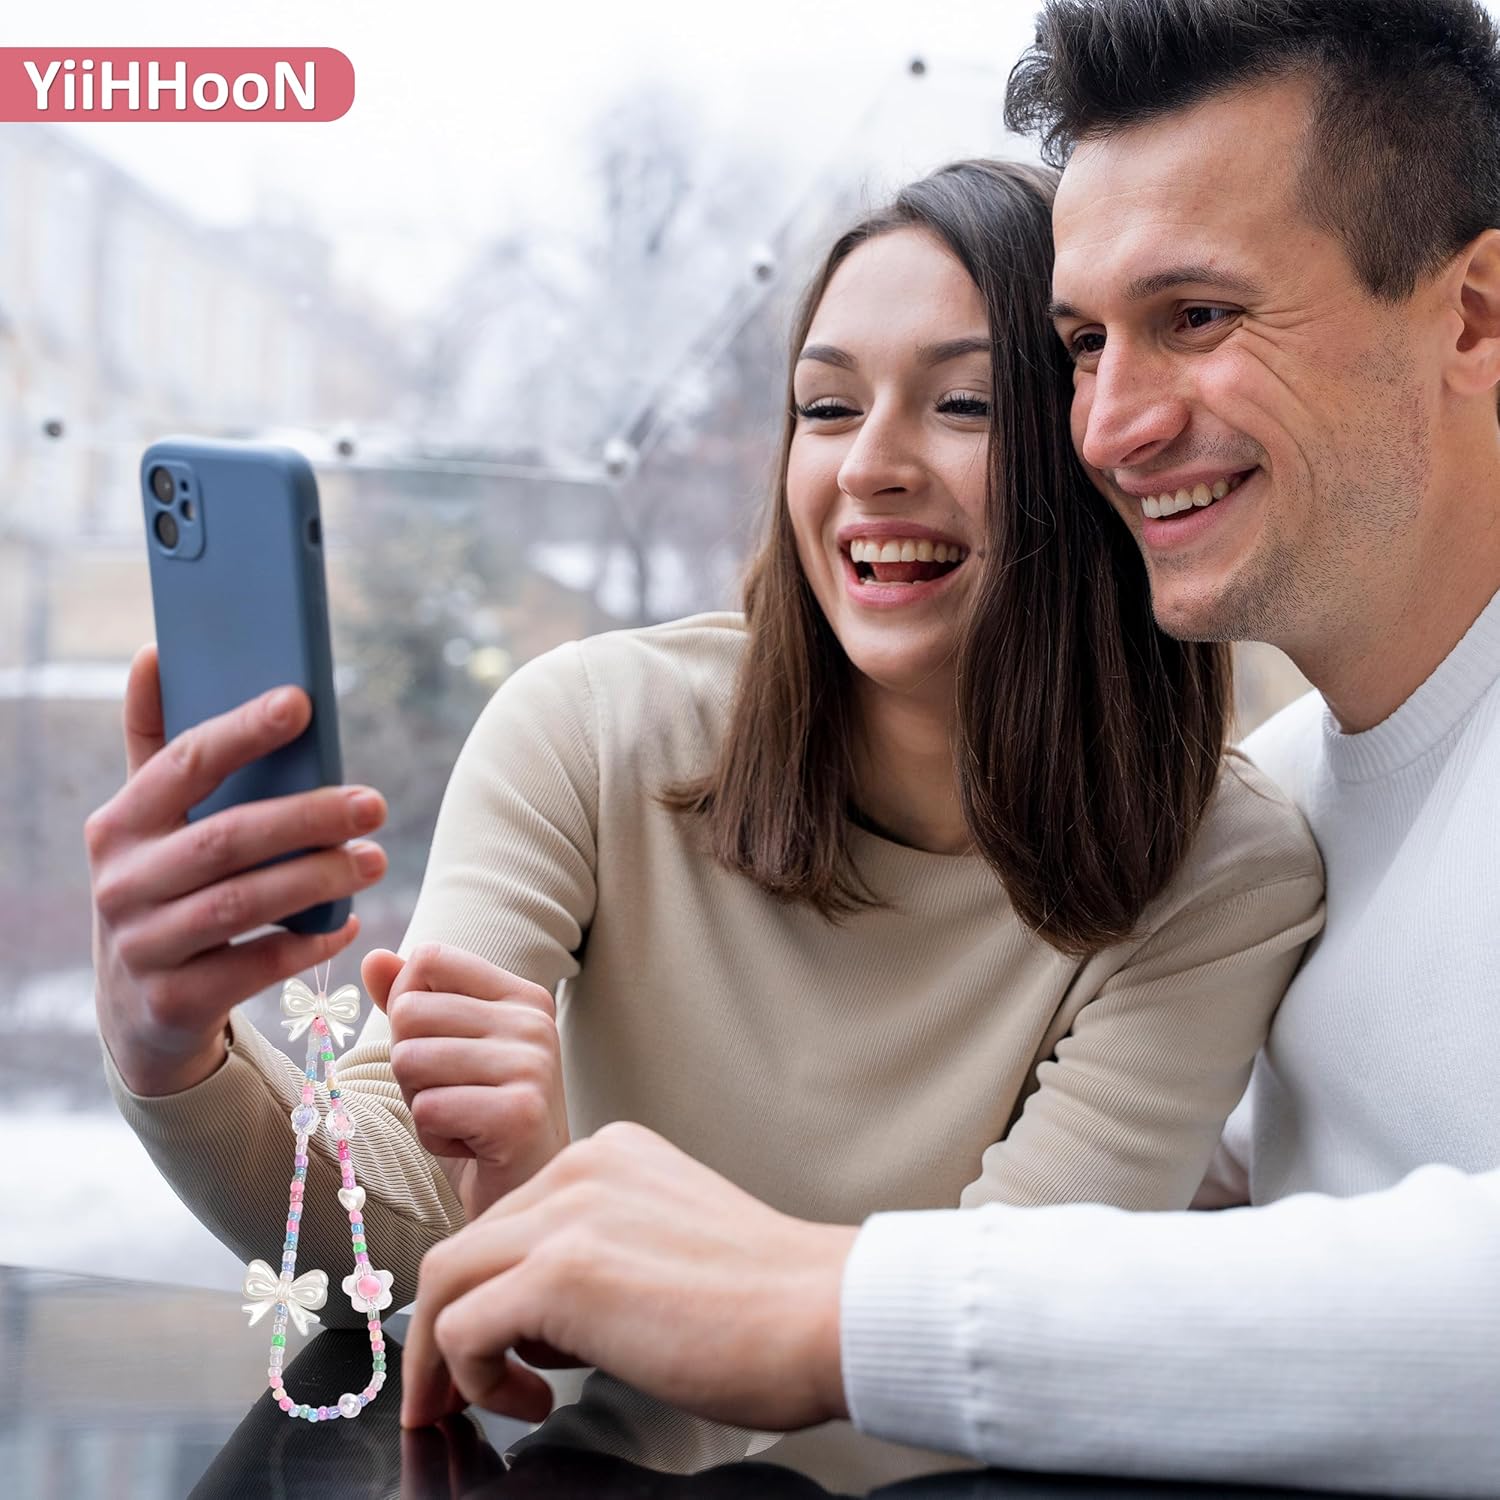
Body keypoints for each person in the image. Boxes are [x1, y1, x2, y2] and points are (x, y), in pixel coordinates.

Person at [395, 1, 1500, 1494]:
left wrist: (825, 1310)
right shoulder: (1303, 809)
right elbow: (1125, 1263)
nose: (1107, 427)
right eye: (1085, 346)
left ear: (1472, 315)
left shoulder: (1242, 858)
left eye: (1198, 316)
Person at [87, 158, 1321, 1452]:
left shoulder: (1225, 876)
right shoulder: (589, 732)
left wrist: (566, 1223)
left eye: (965, 403)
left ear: (1098, 451)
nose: (869, 467)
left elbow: (983, 1338)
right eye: (826, 407)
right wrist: (172, 1057)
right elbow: (383, 1218)